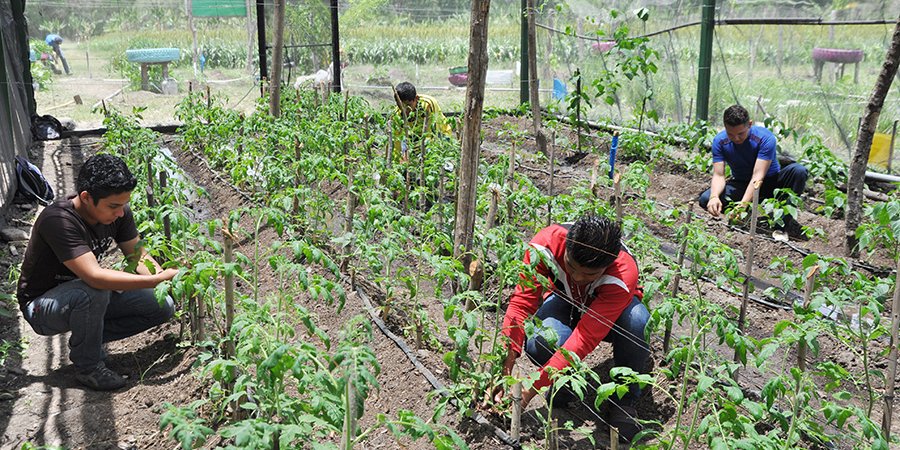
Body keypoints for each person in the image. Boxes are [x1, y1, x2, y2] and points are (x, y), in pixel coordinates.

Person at [17, 154, 178, 391]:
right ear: (86, 197)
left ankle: (87, 342)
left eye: (123, 204)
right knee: (94, 290)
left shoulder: (119, 212)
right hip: (42, 307)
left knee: (161, 305)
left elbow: (137, 255)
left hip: (83, 296)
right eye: (113, 206)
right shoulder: (58, 220)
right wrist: (155, 280)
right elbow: (93, 276)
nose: (120, 212)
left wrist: (164, 282)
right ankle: (89, 368)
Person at [494, 215, 649, 442]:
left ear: (608, 265)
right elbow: (521, 303)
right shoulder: (543, 246)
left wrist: (530, 388)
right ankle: (563, 383)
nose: (577, 277)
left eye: (589, 274)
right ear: (566, 245)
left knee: (637, 321)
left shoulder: (623, 274)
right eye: (571, 266)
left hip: (612, 317)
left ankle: (624, 400)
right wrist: (505, 364)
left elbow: (584, 338)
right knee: (540, 340)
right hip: (566, 301)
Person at [698, 104, 809, 236]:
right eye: (731, 134)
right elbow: (718, 175)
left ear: (749, 124)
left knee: (799, 171)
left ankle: (781, 225)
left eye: (740, 133)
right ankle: (744, 214)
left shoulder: (765, 138)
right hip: (742, 184)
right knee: (705, 199)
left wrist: (742, 205)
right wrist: (714, 196)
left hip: (772, 183)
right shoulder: (720, 141)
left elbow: (758, 176)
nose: (736, 138)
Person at [393, 81, 452, 154]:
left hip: (439, 135)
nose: (405, 109)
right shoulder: (397, 114)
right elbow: (397, 141)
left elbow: (435, 130)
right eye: (400, 105)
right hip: (416, 140)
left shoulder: (427, 104)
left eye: (408, 105)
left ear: (416, 98)